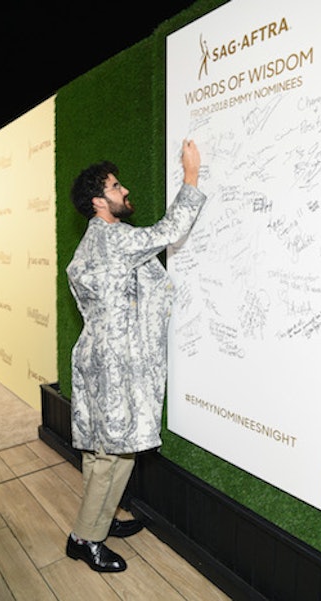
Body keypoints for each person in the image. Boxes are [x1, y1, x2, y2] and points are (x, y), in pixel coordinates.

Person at [65, 139, 206, 572]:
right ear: (99, 202)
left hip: (95, 358)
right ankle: (86, 539)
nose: (124, 191)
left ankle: (96, 522)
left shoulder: (98, 240)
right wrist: (191, 176)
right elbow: (169, 230)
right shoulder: (113, 240)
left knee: (98, 451)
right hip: (112, 365)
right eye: (116, 186)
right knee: (114, 455)